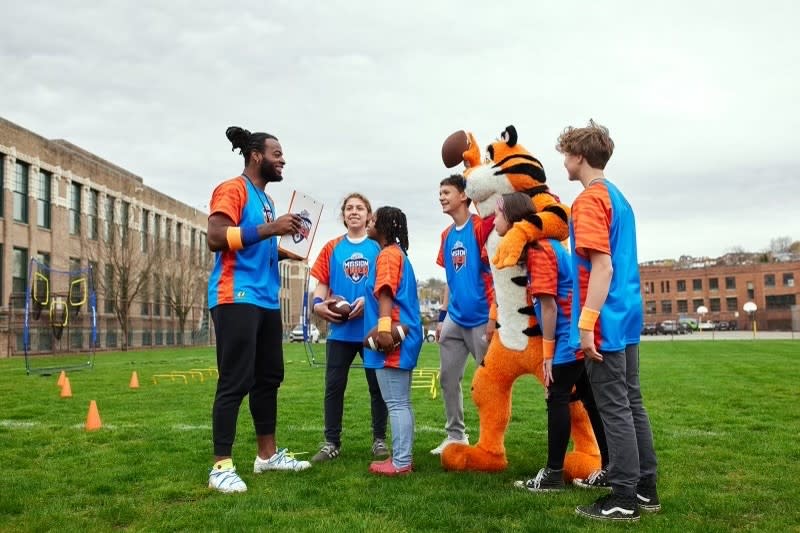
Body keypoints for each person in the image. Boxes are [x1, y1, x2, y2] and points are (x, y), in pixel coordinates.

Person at [557, 120, 659, 521]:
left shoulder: (587, 201)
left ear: (579, 156)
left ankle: (623, 498)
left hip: (605, 318)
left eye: (566, 153)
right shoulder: (618, 197)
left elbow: (602, 268)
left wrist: (585, 323)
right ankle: (645, 490)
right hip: (625, 314)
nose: (563, 161)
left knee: (614, 407)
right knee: (631, 403)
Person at [205, 126, 312, 494]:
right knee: (236, 379)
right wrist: (270, 229)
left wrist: (286, 249)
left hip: (266, 299)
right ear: (256, 156)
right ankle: (221, 466)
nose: (283, 160)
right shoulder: (232, 189)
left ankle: (267, 457)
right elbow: (216, 237)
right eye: (277, 153)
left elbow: (256, 241)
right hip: (236, 295)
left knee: (269, 377)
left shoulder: (265, 200)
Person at [490, 192, 607, 493]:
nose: (494, 219)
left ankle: (553, 475)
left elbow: (550, 307)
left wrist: (547, 353)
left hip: (568, 337)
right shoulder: (543, 246)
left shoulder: (540, 250)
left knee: (557, 398)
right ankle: (611, 469)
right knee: (590, 400)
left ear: (514, 218)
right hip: (574, 335)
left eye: (499, 213)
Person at [309, 193, 389, 462]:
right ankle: (331, 442)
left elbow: (387, 284)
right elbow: (321, 284)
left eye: (360, 208)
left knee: (377, 387)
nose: (354, 212)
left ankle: (379, 440)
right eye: (349, 208)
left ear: (369, 215)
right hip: (340, 331)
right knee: (333, 387)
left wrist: (369, 300)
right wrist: (319, 303)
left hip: (371, 330)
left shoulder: (379, 247)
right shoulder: (332, 247)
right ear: (343, 215)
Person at [430, 174, 493, 455]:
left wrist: (494, 316)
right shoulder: (446, 235)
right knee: (447, 378)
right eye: (440, 193)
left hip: (481, 318)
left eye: (446, 192)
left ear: (463, 196)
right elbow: (449, 280)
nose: (442, 197)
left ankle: (490, 440)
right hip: (454, 318)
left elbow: (493, 274)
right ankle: (456, 435)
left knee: (488, 383)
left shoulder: (480, 228)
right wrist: (442, 319)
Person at [363, 206, 423, 476]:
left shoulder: (387, 255)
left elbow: (386, 293)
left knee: (396, 403)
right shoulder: (400, 254)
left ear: (384, 227)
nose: (368, 221)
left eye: (373, 219)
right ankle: (404, 458)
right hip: (408, 333)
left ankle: (400, 462)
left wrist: (385, 332)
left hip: (395, 339)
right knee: (403, 402)